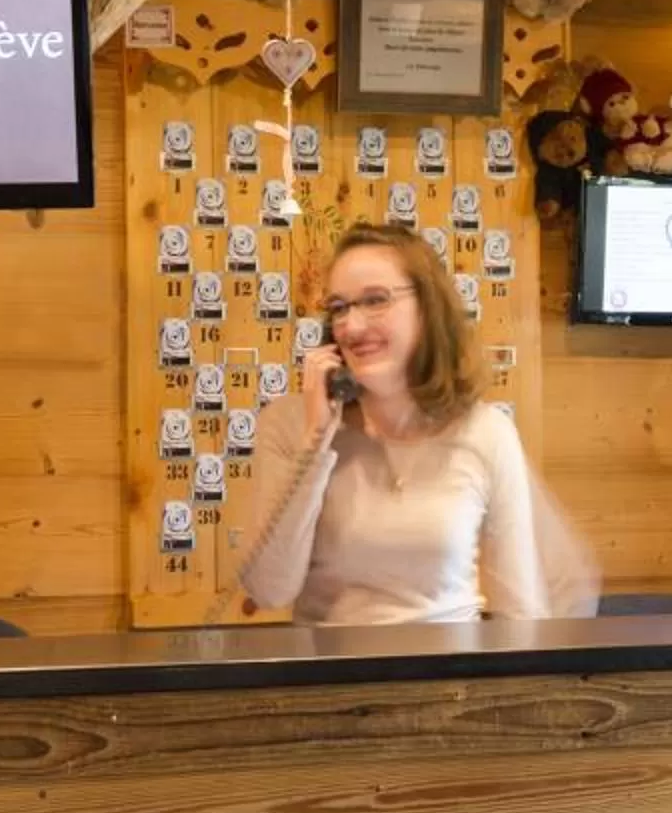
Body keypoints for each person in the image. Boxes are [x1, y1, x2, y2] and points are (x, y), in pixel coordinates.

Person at [240, 223, 585, 625]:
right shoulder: (289, 424)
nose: (351, 326)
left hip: (452, 661)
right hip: (331, 664)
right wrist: (315, 445)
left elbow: (521, 609)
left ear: (427, 309)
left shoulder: (487, 432)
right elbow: (268, 588)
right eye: (339, 307)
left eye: (375, 300)